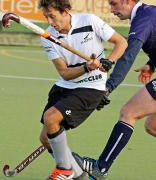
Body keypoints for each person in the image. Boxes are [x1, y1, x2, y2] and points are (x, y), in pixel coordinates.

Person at [37, 0, 127, 179]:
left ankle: (64, 169)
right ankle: (79, 175)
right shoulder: (47, 37)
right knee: (46, 139)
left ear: (64, 11)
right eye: (46, 17)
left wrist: (109, 61)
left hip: (91, 87)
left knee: (51, 118)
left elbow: (121, 42)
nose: (50, 21)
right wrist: (86, 67)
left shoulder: (89, 21)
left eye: (52, 16)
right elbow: (65, 73)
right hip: (65, 86)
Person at [72, 0, 156, 179]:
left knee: (129, 112)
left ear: (127, 1)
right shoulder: (148, 13)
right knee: (153, 125)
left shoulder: (144, 17)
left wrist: (107, 88)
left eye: (114, 4)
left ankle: (100, 168)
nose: (111, 10)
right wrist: (151, 64)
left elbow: (128, 56)